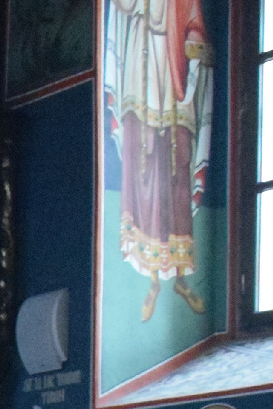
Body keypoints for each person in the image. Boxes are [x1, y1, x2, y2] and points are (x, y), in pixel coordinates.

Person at [104, 0, 212, 322]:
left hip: (176, 76)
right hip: (142, 70)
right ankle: (152, 279)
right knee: (145, 172)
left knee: (177, 173)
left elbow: (195, 23)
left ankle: (180, 278)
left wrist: (194, 47)